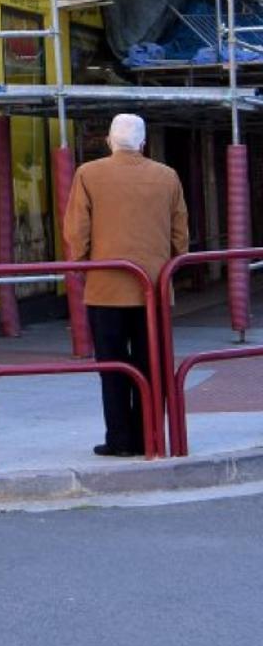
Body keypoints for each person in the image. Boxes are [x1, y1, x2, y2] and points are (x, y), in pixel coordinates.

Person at [64, 113, 189, 457]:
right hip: (155, 288)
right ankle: (151, 436)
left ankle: (120, 439)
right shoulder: (168, 177)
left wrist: (83, 263)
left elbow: (77, 231)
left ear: (108, 141)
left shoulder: (88, 174)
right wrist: (171, 264)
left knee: (112, 367)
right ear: (144, 143)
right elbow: (181, 234)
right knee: (154, 366)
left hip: (106, 287)